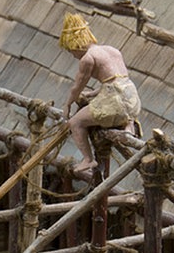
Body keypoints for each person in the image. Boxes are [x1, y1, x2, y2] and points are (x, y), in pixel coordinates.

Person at [59, 13, 141, 172]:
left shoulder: (88, 58)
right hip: (133, 100)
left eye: (71, 51)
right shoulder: (112, 50)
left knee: (75, 122)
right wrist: (91, 95)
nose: (73, 55)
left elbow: (78, 87)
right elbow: (116, 82)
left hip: (115, 104)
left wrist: (68, 104)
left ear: (75, 45)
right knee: (121, 105)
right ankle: (128, 123)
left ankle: (88, 159)